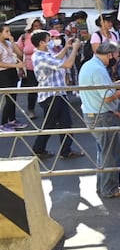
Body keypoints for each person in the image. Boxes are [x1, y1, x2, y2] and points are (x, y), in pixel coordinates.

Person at [79, 41, 120, 199]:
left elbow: (104, 87)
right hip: (100, 115)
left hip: (94, 113)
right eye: (116, 55)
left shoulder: (91, 65)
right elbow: (108, 96)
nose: (116, 58)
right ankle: (110, 189)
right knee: (110, 153)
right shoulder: (97, 69)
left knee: (103, 152)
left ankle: (103, 186)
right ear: (109, 54)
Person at [30, 30, 85, 160]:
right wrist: (74, 49)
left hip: (58, 94)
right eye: (49, 39)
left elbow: (56, 59)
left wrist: (66, 47)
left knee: (65, 123)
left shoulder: (45, 54)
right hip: (51, 96)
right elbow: (67, 64)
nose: (52, 41)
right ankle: (38, 149)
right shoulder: (40, 57)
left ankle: (66, 151)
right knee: (50, 124)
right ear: (42, 42)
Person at [0, 24, 27, 131]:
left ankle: (12, 120)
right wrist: (16, 65)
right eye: (6, 31)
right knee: (9, 99)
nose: (9, 33)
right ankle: (3, 123)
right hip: (3, 73)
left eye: (9, 31)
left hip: (12, 72)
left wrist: (12, 41)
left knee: (14, 97)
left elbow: (20, 54)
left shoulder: (7, 43)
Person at [17, 17, 44, 119]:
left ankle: (49, 111)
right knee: (32, 90)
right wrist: (20, 67)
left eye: (39, 25)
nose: (37, 28)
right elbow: (19, 52)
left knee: (46, 89)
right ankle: (31, 109)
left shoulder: (45, 36)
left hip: (43, 67)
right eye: (35, 26)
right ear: (31, 27)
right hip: (30, 67)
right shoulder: (24, 37)